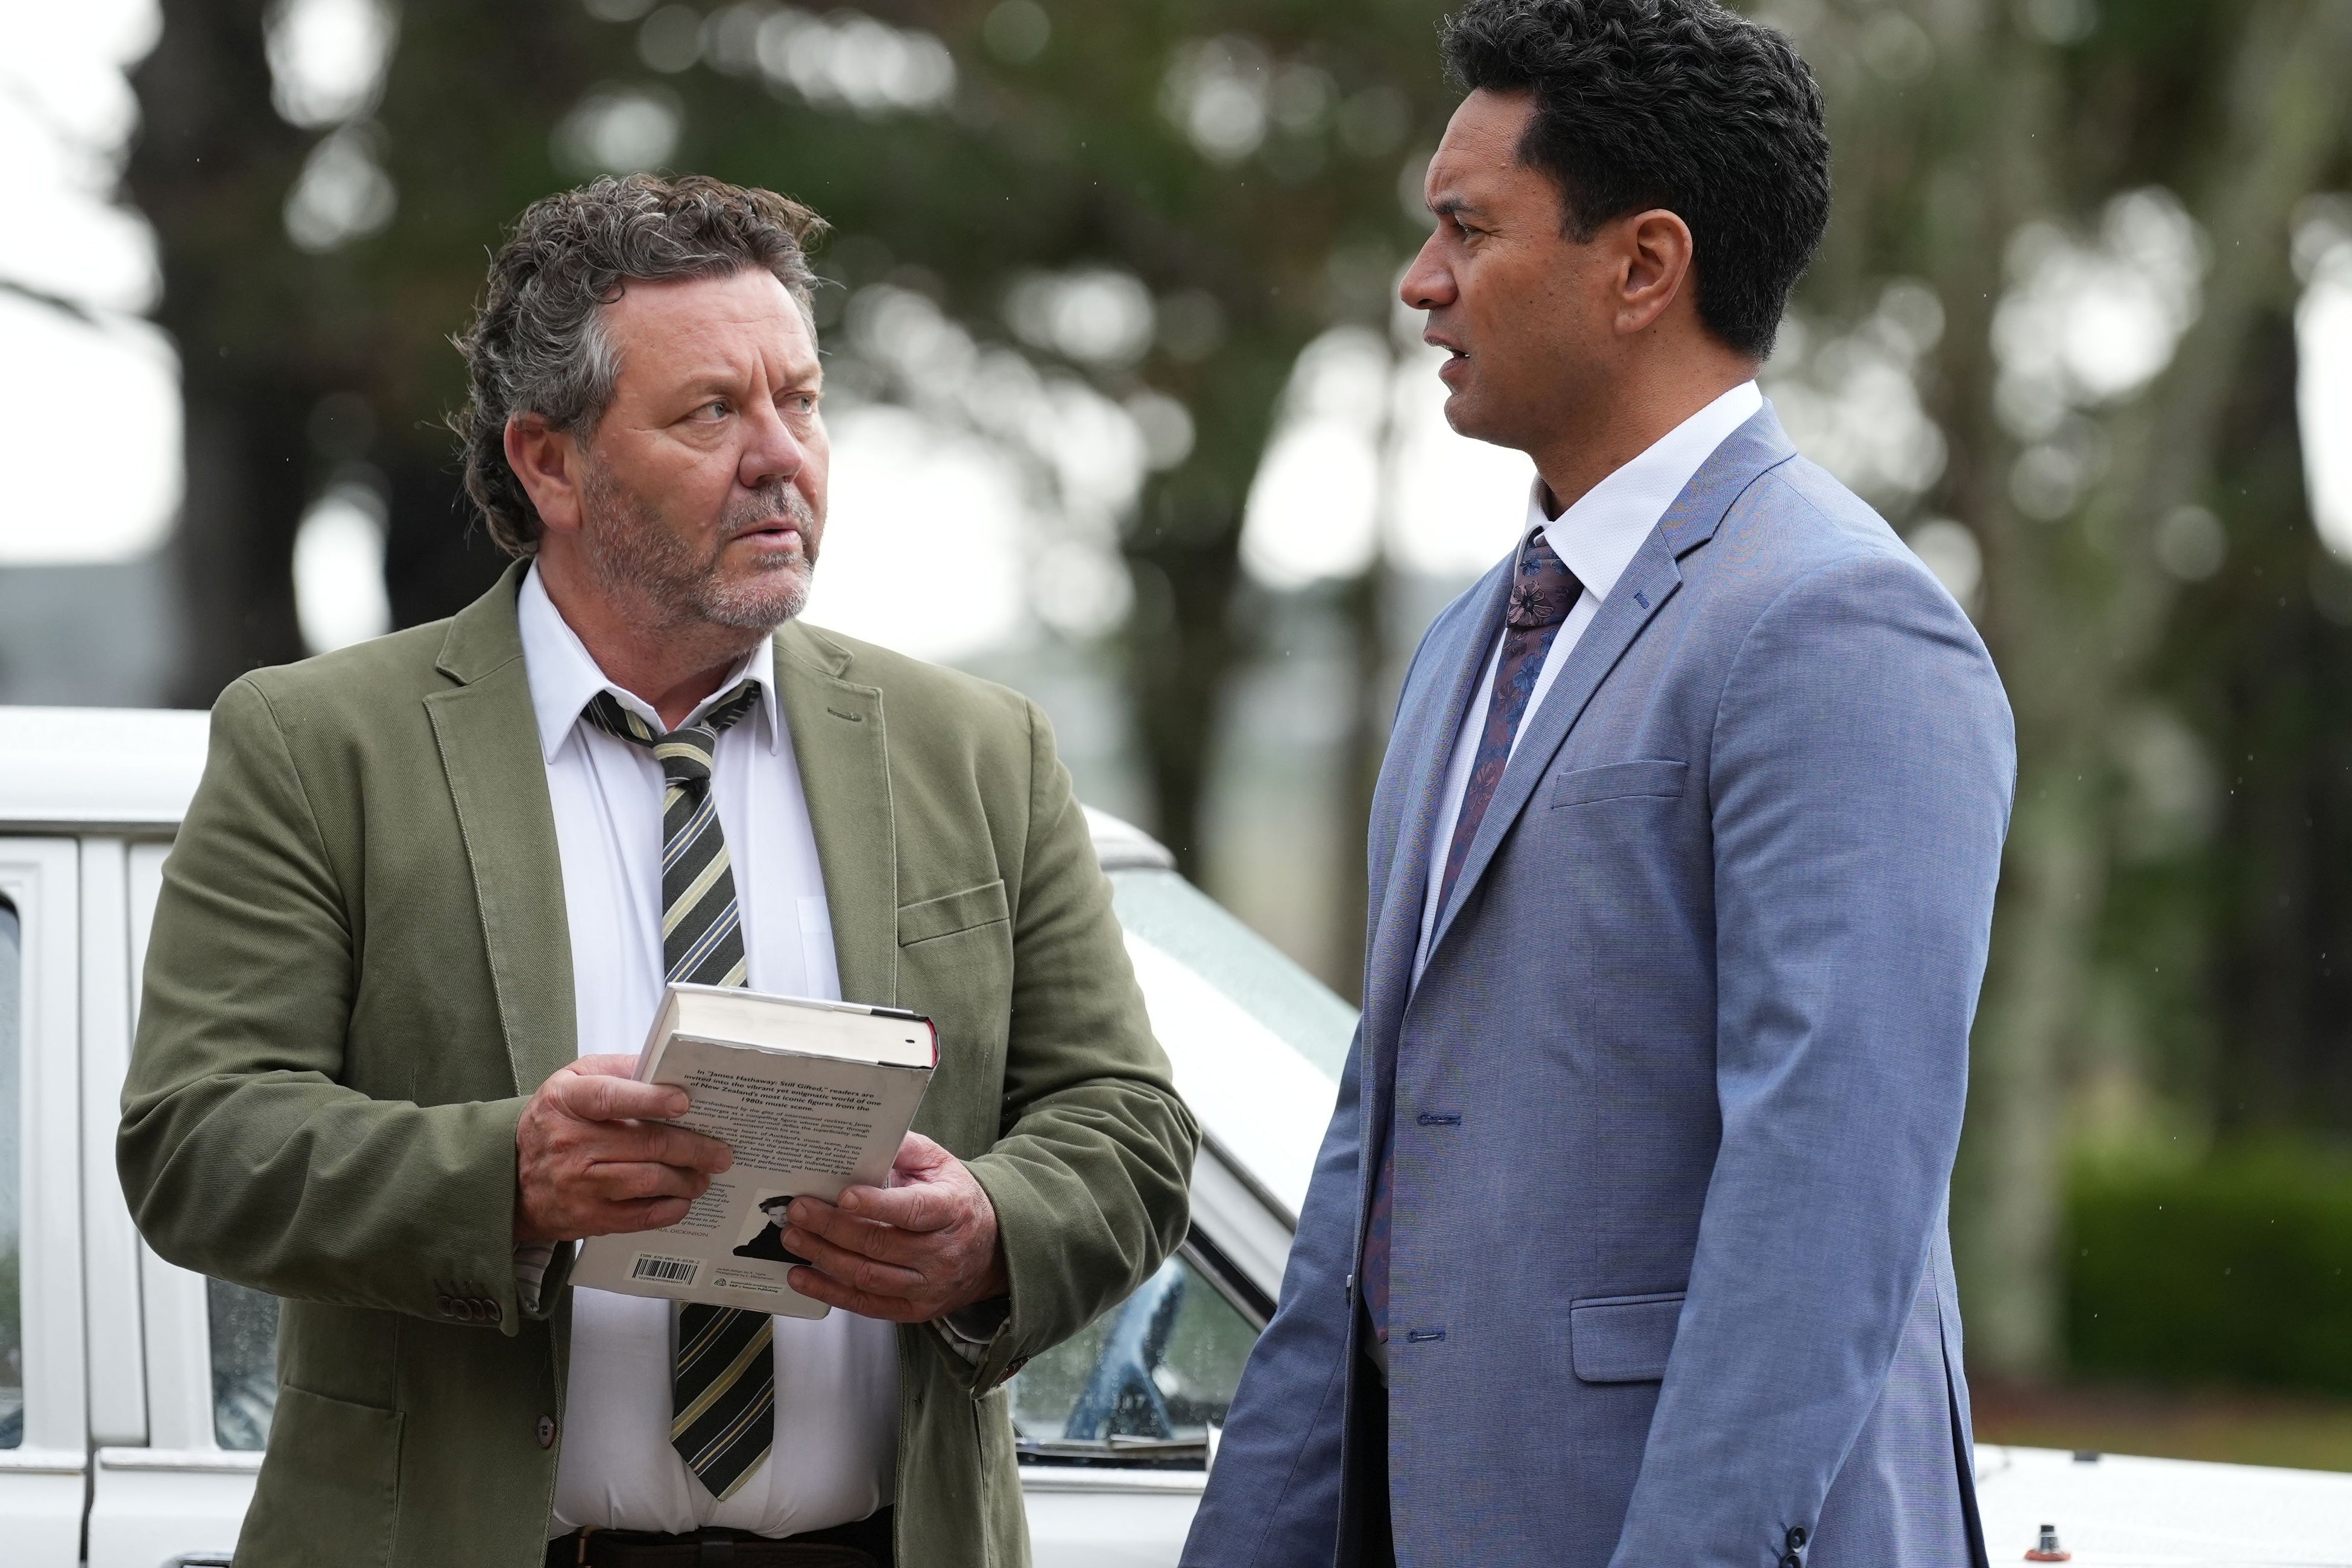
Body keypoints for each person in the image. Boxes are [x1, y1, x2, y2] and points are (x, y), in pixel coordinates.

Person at [119, 174, 1198, 1568]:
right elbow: (198, 1141)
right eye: (711, 413)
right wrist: (509, 1178)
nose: (781, 457)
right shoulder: (322, 746)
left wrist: (991, 1228)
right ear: (549, 463)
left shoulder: (980, 750)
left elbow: (1128, 1126)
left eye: (801, 400)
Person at [1184, 4, 2012, 1566]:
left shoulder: (1837, 622)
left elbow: (1828, 1190)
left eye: (1466, 229)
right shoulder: (1468, 644)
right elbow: (1370, 1167)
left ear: (1642, 267)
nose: (1419, 282)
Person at [736, 1195, 813, 1264]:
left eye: (785, 1214)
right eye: (774, 1215)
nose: (780, 1219)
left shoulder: (805, 1228)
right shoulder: (773, 1226)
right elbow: (758, 1244)